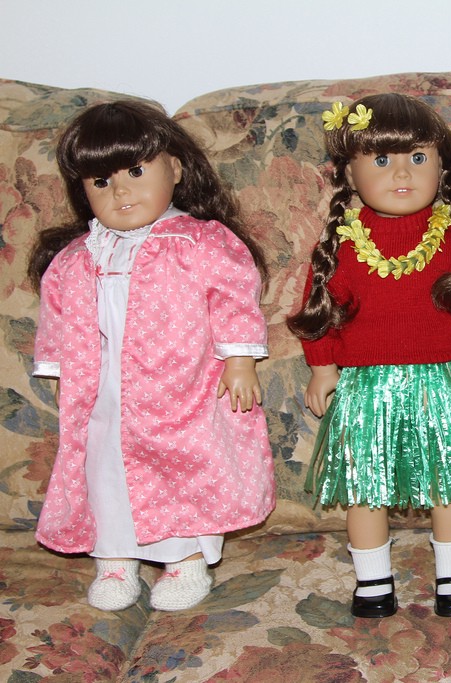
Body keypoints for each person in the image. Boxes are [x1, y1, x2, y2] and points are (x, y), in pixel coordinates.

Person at [28, 100, 275, 612]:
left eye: (136, 172)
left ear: (176, 169)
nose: (120, 192)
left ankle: (183, 561)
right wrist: (62, 376)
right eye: (101, 181)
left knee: (183, 467)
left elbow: (234, 296)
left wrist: (239, 359)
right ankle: (115, 560)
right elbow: (57, 319)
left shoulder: (200, 242)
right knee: (104, 470)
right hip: (103, 394)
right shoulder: (76, 258)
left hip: (181, 392)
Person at [288, 93, 451, 618]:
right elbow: (319, 310)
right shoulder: (342, 243)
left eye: (418, 158)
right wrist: (322, 367)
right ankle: (373, 582)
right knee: (364, 488)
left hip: (439, 385)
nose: (401, 173)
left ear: (442, 168)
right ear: (349, 173)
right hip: (364, 390)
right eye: (380, 159)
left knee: (448, 483)